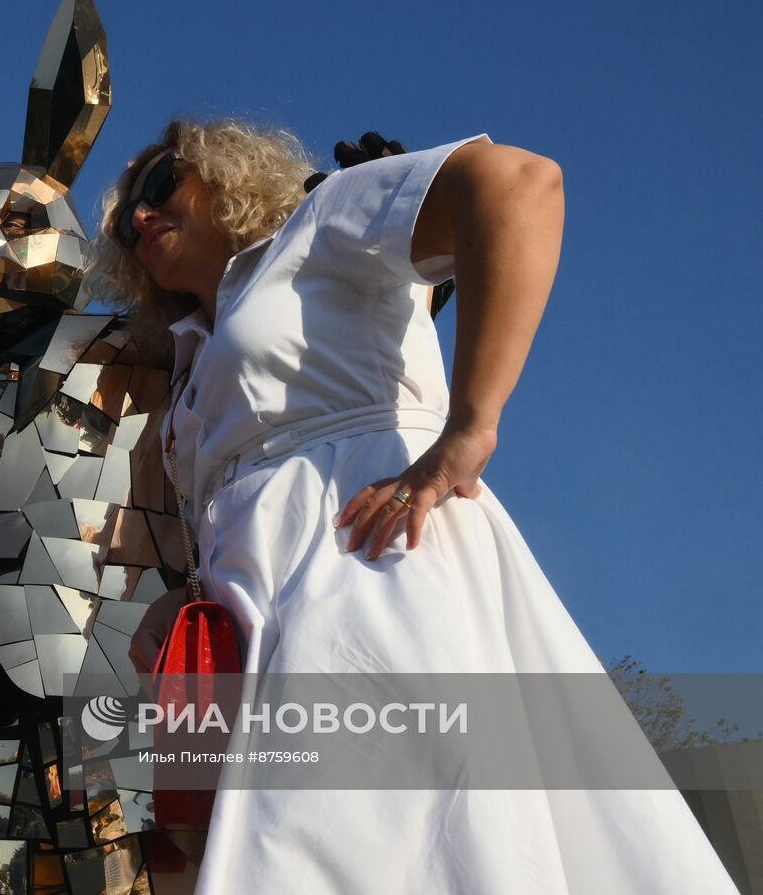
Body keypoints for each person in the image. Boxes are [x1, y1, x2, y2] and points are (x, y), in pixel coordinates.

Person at [93, 121, 739, 893]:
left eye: (161, 183)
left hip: (367, 559)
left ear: (226, 173)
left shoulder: (321, 219)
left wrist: (470, 425)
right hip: (257, 626)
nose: (138, 216)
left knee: (392, 836)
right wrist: (185, 595)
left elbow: (519, 185)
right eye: (124, 216)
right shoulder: (195, 352)